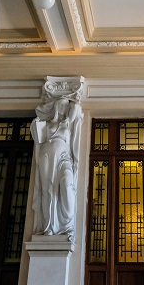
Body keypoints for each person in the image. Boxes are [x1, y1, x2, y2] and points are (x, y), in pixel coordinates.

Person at [30, 95, 82, 240]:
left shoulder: (68, 122)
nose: (64, 108)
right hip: (46, 155)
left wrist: (74, 97)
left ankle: (66, 224)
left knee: (67, 184)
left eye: (66, 106)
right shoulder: (46, 124)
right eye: (61, 105)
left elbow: (76, 107)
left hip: (63, 157)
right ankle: (49, 227)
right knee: (46, 190)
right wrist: (35, 125)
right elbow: (38, 139)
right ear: (56, 107)